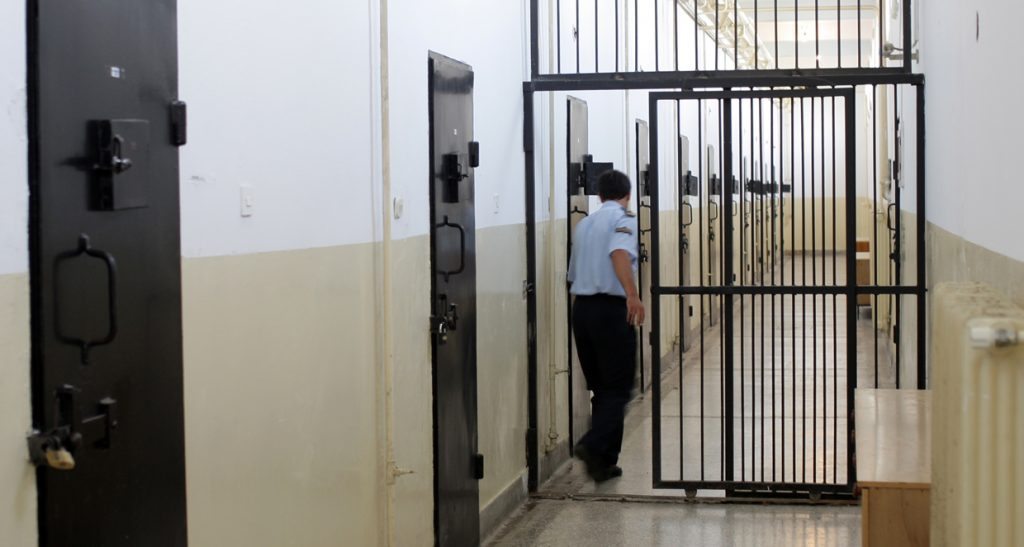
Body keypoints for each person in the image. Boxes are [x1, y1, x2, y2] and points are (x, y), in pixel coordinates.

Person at [567, 169, 645, 482]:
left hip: (582, 311)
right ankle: (592, 444)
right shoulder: (623, 219)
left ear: (599, 196)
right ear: (628, 195)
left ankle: (603, 463)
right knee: (619, 387)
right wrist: (633, 295)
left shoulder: (584, 225)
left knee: (602, 389)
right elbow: (619, 253)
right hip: (611, 311)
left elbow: (572, 273)